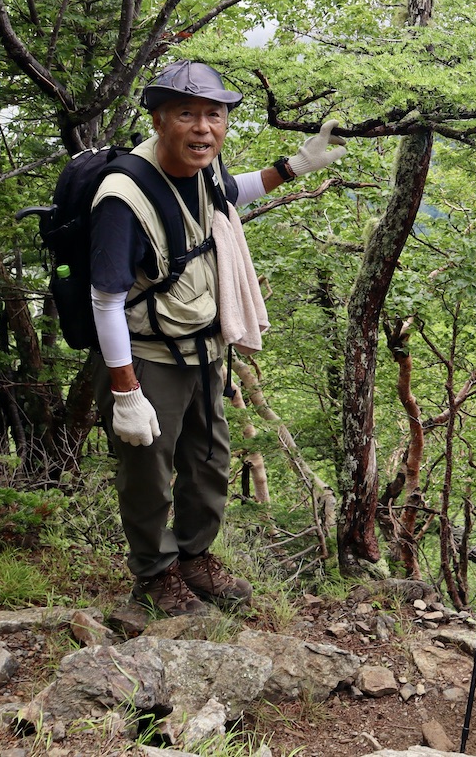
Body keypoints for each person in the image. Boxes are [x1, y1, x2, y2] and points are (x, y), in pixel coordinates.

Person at [90, 60, 346, 617]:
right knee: (148, 472)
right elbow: (105, 299)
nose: (203, 127)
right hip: (148, 356)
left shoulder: (203, 170)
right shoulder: (123, 197)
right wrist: (126, 391)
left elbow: (233, 192)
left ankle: (195, 558)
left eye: (215, 114)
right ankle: (155, 575)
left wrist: (296, 165)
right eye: (187, 114)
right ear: (159, 120)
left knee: (209, 459)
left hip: (205, 347)